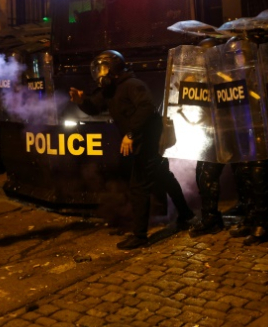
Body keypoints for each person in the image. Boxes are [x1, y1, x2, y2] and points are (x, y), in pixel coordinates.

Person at [69, 50, 195, 250]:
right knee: (164, 177)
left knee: (139, 187)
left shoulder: (133, 85)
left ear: (115, 68)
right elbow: (95, 107)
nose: (100, 74)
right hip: (141, 141)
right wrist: (81, 101)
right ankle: (186, 214)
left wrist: (130, 134)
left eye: (103, 69)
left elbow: (146, 109)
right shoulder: (111, 89)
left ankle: (140, 236)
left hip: (149, 141)